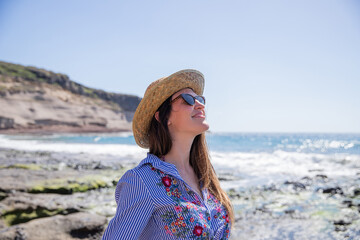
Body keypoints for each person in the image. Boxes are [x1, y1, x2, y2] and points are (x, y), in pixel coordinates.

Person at [102, 69, 234, 240]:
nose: (200, 104)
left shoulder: (207, 179)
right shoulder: (142, 180)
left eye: (200, 99)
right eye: (187, 99)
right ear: (162, 117)